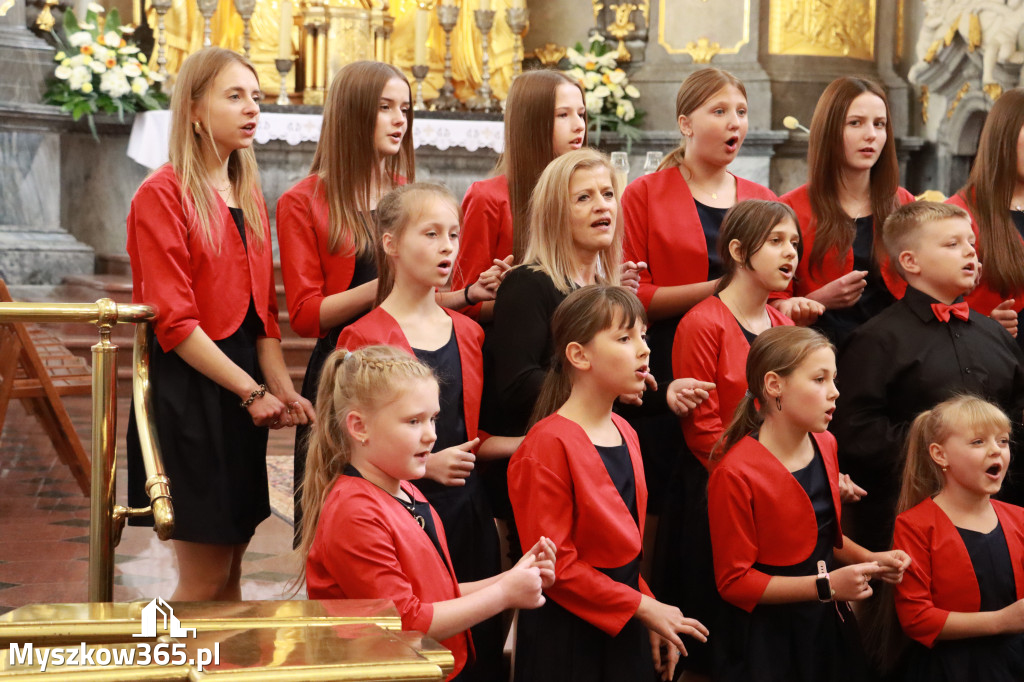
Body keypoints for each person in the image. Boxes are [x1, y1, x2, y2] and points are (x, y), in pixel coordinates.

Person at [277, 62, 501, 539]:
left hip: (413, 365)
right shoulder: (304, 200)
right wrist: (386, 286)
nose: (400, 119)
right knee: (348, 532)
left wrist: (464, 294)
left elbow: (419, 299)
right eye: (384, 108)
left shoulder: (407, 195)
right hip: (349, 369)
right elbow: (305, 316)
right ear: (353, 114)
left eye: (405, 108)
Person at [125, 47, 315, 601]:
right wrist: (252, 390)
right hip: (192, 393)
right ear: (194, 108)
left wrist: (283, 390)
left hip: (237, 394)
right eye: (234, 96)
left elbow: (263, 320)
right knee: (203, 578)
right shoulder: (161, 194)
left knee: (231, 572)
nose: (251, 108)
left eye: (255, 97)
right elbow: (175, 323)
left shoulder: (248, 194)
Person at [333, 183, 522, 680]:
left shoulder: (469, 332)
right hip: (399, 516)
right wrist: (427, 464)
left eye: (454, 235)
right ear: (391, 243)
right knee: (417, 651)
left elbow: (473, 434)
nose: (447, 247)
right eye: (431, 234)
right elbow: (345, 449)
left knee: (478, 646)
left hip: (467, 512)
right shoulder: (365, 336)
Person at [300, 345, 556, 681]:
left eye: (433, 418)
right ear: (359, 427)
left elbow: (436, 594)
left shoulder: (405, 488)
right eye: (413, 421)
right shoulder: (354, 512)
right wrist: (504, 595)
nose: (431, 435)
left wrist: (511, 578)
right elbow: (406, 623)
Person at [508, 285, 710, 682]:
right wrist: (642, 607)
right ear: (579, 355)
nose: (644, 349)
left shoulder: (625, 429)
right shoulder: (546, 444)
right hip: (567, 636)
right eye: (624, 337)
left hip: (620, 620)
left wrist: (645, 606)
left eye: (643, 335)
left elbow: (621, 554)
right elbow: (556, 567)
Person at [620, 67, 798, 515]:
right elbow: (633, 297)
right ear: (686, 124)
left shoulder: (760, 196)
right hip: (664, 362)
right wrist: (723, 288)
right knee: (673, 501)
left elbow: (774, 292)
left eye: (741, 111)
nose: (734, 122)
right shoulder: (645, 193)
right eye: (719, 111)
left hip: (743, 360)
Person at [708, 325, 911, 682]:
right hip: (768, 640)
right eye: (819, 379)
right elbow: (734, 582)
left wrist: (872, 559)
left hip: (824, 623)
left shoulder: (826, 443)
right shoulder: (734, 473)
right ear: (774, 385)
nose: (834, 392)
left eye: (834, 379)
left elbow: (821, 537)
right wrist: (827, 586)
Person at [834, 202, 1024, 553]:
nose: (969, 251)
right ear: (910, 262)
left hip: (1001, 519)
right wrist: (942, 453)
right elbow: (854, 429)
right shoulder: (876, 340)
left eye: (971, 243)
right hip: (908, 519)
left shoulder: (994, 334)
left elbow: (1018, 409)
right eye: (952, 244)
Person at [892, 395, 1024, 682]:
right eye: (978, 442)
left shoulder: (1020, 518)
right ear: (940, 455)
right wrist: (1001, 621)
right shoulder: (914, 525)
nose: (996, 451)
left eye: (1003, 441)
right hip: (950, 669)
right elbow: (916, 618)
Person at [780, 76, 916, 349]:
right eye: (855, 123)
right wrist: (819, 298)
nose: (871, 135)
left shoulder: (904, 202)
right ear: (829, 130)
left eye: (879, 124)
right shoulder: (789, 210)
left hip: (899, 355)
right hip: (817, 357)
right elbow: (768, 309)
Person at [452, 69, 587, 322]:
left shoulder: (586, 194)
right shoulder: (488, 198)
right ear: (531, 122)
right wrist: (520, 297)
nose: (579, 125)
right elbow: (464, 302)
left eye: (581, 114)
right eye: (563, 115)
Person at [946, 87, 1024, 344]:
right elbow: (933, 306)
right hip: (994, 365)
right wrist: (983, 323)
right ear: (1005, 137)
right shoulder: (959, 215)